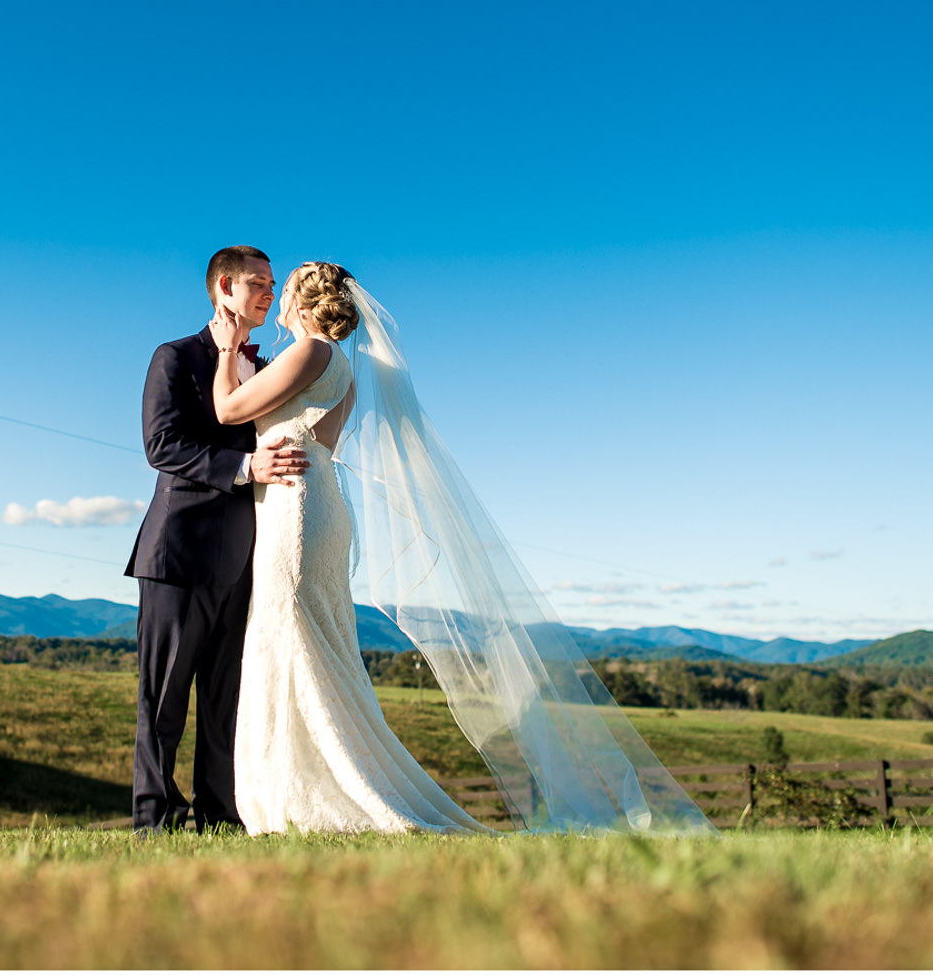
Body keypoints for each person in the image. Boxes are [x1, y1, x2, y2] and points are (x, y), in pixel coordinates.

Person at [209, 259, 710, 836]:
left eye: (282, 289)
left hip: (295, 508)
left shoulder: (311, 352)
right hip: (316, 501)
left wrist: (227, 350)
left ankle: (318, 792)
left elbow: (228, 410)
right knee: (316, 640)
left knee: (291, 633)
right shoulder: (341, 364)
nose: (275, 299)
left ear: (300, 301)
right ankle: (309, 785)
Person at [128, 244, 314, 834]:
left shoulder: (263, 364)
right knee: (163, 702)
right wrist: (245, 468)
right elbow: (162, 446)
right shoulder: (174, 357)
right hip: (178, 553)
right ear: (224, 287)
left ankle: (219, 814)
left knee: (225, 699)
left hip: (244, 556)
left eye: (271, 283)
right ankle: (154, 818)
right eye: (258, 282)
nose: (268, 291)